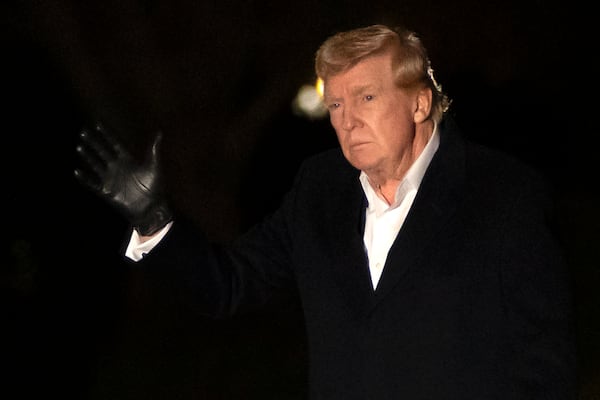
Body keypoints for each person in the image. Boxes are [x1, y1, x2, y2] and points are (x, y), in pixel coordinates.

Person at [74, 24, 577, 399]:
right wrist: (151, 217)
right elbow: (227, 284)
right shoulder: (319, 189)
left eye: (366, 97)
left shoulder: (503, 193)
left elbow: (546, 366)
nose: (347, 120)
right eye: (335, 105)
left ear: (420, 103)